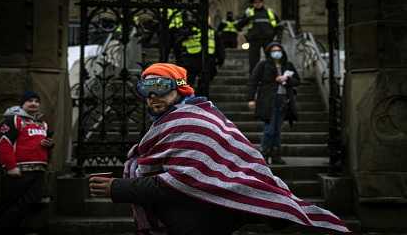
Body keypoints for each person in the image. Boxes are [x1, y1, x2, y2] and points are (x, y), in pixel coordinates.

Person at [89, 63, 349, 235]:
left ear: (180, 90)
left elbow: (184, 180)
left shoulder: (194, 121)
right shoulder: (168, 123)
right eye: (146, 89)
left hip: (203, 221)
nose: (152, 96)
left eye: (161, 87)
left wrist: (119, 188)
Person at [0, 91, 54, 235]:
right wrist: (11, 167)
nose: (34, 103)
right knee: (12, 204)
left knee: (31, 201)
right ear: (22, 104)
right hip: (19, 170)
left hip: (38, 170)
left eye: (36, 101)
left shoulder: (42, 123)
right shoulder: (13, 120)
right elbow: (4, 143)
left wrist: (49, 144)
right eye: (30, 101)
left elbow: (40, 145)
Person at [247, 42, 300, 165]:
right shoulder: (263, 65)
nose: (277, 53)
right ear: (269, 53)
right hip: (268, 100)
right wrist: (251, 98)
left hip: (283, 100)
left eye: (279, 50)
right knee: (269, 129)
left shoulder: (288, 65)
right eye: (273, 50)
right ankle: (264, 154)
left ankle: (276, 155)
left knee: (277, 130)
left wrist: (287, 79)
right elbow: (253, 81)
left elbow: (297, 81)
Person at [237, 0, 283, 78]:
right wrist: (248, 18)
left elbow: (279, 26)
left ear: (262, 3)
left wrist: (278, 38)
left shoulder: (270, 12)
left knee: (271, 59)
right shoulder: (249, 13)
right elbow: (238, 25)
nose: (257, 4)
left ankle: (272, 76)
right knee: (253, 61)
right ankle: (253, 77)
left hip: (268, 40)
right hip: (254, 40)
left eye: (259, 2)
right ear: (253, 4)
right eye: (255, 2)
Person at [175, 18, 225, 88]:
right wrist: (220, 60)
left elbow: (177, 44)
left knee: (187, 81)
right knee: (201, 81)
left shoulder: (187, 28)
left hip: (192, 60)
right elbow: (220, 47)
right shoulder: (211, 31)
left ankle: (188, 93)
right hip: (202, 60)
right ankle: (196, 92)